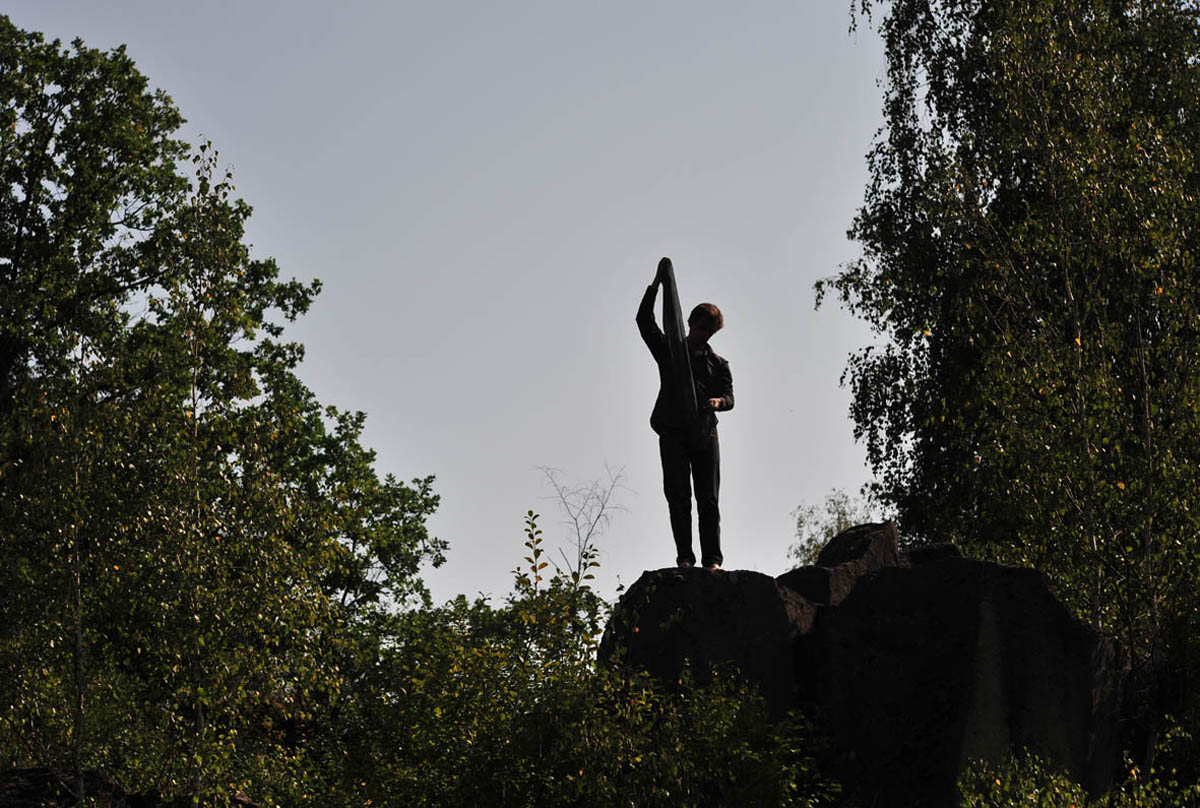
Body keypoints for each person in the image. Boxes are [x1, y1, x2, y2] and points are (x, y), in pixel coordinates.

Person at [636, 257, 734, 570]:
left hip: (705, 433)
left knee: (708, 499)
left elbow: (729, 397)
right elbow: (644, 321)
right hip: (673, 431)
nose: (705, 334)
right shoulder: (671, 351)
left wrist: (717, 403)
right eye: (702, 327)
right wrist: (656, 284)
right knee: (678, 495)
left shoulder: (718, 364)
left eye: (710, 331)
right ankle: (685, 558)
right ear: (691, 322)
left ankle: (712, 560)